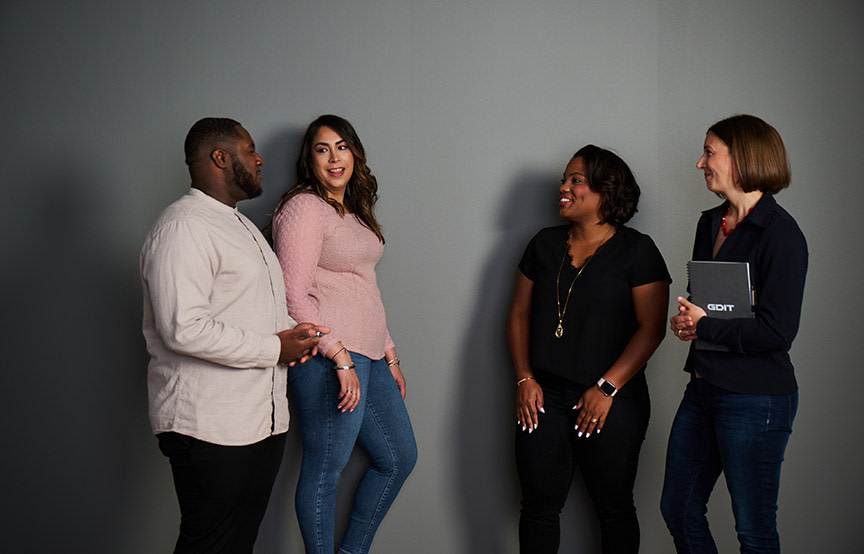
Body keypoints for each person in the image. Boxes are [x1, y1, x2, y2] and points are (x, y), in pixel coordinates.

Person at [140, 117, 329, 554]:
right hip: (209, 426)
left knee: (237, 545)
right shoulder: (183, 227)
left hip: (257, 424)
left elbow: (251, 308)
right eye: (249, 150)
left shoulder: (241, 227)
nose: (259, 159)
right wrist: (273, 347)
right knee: (210, 546)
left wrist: (291, 336)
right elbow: (182, 328)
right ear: (220, 158)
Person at [508, 145, 670, 554]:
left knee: (614, 509)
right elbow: (518, 315)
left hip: (612, 399)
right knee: (538, 509)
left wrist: (607, 388)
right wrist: (525, 378)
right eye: (565, 179)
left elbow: (651, 330)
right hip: (543, 396)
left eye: (575, 180)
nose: (563, 187)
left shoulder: (638, 250)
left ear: (605, 191)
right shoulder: (543, 245)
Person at [661, 115, 808, 554]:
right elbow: (708, 301)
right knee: (678, 509)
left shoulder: (782, 236)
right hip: (703, 387)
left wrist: (706, 324)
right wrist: (690, 321)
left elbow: (777, 332)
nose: (700, 162)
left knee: (754, 532)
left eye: (710, 152)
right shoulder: (710, 223)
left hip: (756, 399)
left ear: (741, 158)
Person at [271, 114, 417, 554]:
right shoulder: (304, 207)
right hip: (326, 357)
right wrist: (338, 355)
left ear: (354, 153)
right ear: (309, 159)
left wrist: (388, 353)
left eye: (342, 147)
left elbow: (363, 287)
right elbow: (292, 295)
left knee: (398, 458)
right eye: (322, 148)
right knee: (325, 468)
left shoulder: (351, 213)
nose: (334, 157)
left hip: (367, 354)